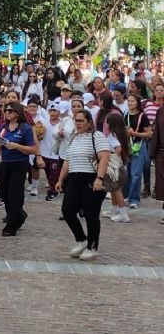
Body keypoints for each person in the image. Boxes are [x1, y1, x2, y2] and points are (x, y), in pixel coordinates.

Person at [54, 110, 109, 261]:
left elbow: (104, 156)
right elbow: (67, 160)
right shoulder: (73, 137)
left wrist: (99, 177)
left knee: (91, 215)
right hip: (74, 178)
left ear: (89, 122)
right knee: (67, 210)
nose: (78, 123)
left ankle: (93, 246)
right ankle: (81, 239)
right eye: (76, 121)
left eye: (81, 121)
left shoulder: (96, 136)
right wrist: (60, 179)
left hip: (91, 178)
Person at [0, 102, 36, 237]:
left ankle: (12, 224)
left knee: (15, 194)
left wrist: (17, 146)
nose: (7, 113)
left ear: (17, 113)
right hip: (5, 162)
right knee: (4, 193)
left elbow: (32, 149)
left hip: (19, 163)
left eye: (10, 111)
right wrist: (0, 143)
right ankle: (18, 215)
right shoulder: (3, 127)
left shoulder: (25, 128)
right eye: (6, 111)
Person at [123, 94, 151, 211]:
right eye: (128, 101)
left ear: (137, 102)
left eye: (132, 101)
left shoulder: (142, 116)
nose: (130, 103)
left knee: (136, 174)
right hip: (127, 146)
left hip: (138, 146)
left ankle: (134, 199)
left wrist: (135, 134)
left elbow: (149, 133)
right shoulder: (125, 114)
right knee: (126, 173)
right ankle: (127, 196)